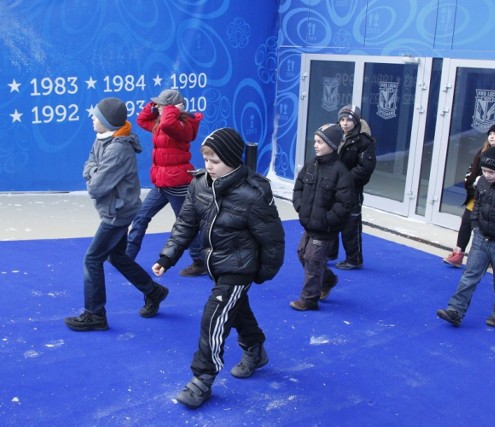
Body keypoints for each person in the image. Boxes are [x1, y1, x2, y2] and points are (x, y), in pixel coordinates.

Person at [151, 128, 285, 409]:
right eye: (206, 159)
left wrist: (263, 272)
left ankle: (203, 378)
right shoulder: (199, 184)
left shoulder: (253, 193)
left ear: (232, 159)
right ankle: (255, 350)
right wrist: (167, 257)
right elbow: (185, 224)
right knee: (236, 310)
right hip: (217, 264)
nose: (208, 166)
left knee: (213, 318)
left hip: (240, 267)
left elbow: (272, 239)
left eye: (214, 161)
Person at [64, 97, 168, 332]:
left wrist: (93, 173)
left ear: (107, 122)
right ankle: (154, 291)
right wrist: (94, 171)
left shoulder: (119, 148)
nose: (92, 119)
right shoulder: (103, 138)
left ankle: (95, 314)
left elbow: (96, 187)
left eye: (96, 116)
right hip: (116, 208)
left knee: (92, 260)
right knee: (117, 257)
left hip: (117, 212)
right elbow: (89, 165)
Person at [437, 146, 495, 327]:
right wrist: (476, 226)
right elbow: (477, 205)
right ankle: (456, 309)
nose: (486, 175)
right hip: (481, 238)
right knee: (469, 275)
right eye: (485, 170)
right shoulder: (483, 183)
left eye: (491, 172)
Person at [126, 89, 206, 277]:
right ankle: (127, 257)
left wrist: (170, 110)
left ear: (172, 108)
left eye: (162, 104)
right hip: (162, 181)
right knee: (141, 217)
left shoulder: (183, 125)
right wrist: (153, 107)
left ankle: (200, 261)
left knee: (185, 223)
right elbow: (142, 120)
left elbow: (170, 123)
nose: (159, 107)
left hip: (177, 182)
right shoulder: (161, 122)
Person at [290, 124, 354, 310]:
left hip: (325, 228)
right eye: (315, 141)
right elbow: (299, 187)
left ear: (332, 145)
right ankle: (328, 280)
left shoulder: (341, 171)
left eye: (320, 142)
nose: (315, 145)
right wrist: (300, 207)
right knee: (303, 254)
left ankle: (309, 299)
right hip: (310, 223)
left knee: (313, 260)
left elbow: (344, 204)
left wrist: (327, 220)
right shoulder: (312, 165)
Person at [443, 123, 495, 268]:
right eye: (490, 133)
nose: (492, 136)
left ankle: (488, 258)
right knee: (466, 221)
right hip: (478, 193)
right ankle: (458, 253)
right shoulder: (483, 151)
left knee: (486, 227)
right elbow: (472, 169)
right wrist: (471, 183)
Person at [328, 105, 376, 271]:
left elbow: (365, 168)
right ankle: (330, 253)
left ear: (356, 121)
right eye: (342, 119)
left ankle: (354, 259)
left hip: (352, 189)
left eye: (349, 120)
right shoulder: (334, 134)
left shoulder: (364, 141)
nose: (345, 123)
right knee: (331, 220)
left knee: (351, 224)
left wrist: (344, 179)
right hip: (333, 187)